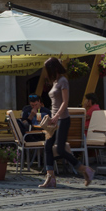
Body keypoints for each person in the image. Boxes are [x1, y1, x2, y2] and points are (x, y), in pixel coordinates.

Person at [40, 57, 95, 188]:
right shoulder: (55, 82)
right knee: (48, 146)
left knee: (60, 149)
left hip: (63, 119)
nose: (46, 72)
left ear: (53, 69)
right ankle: (51, 177)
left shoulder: (63, 81)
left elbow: (65, 102)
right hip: (54, 120)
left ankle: (85, 169)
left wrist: (57, 116)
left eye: (48, 69)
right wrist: (52, 117)